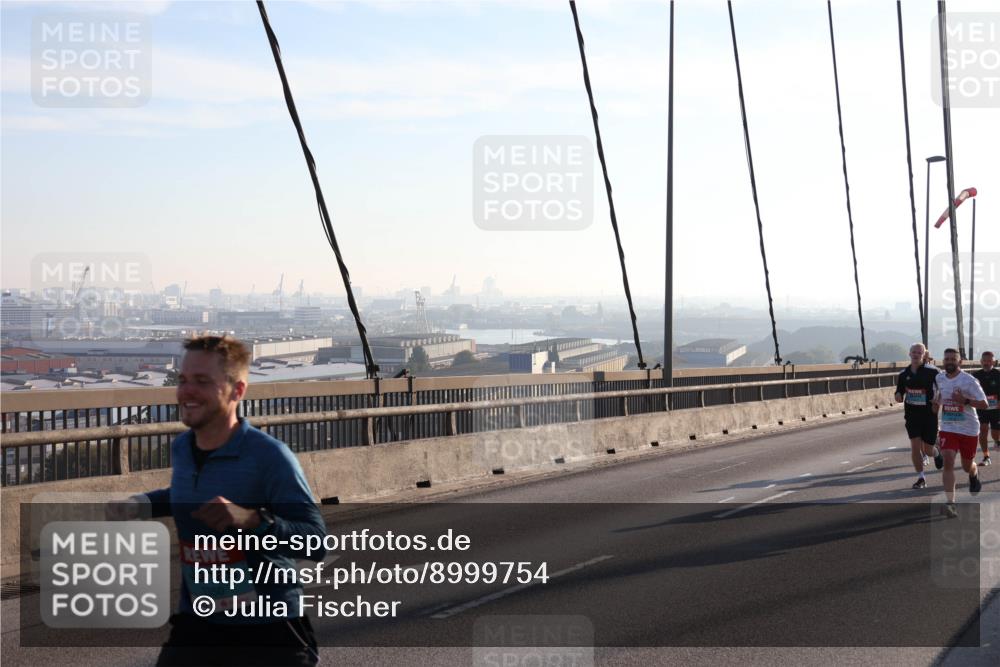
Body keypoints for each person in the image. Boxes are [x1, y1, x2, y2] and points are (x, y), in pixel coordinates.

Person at [115, 335, 327, 665]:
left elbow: (315, 542)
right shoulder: (183, 448)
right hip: (199, 623)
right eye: (183, 379)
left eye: (202, 381)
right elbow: (188, 497)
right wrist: (140, 504)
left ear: (237, 391)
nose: (186, 391)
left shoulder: (270, 457)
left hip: (269, 629)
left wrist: (252, 520)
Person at [934, 348, 990, 518]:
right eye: (946, 359)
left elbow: (984, 404)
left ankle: (974, 473)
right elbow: (939, 400)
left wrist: (964, 400)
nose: (949, 361)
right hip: (949, 427)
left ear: (960, 362)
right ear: (943, 361)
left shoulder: (969, 381)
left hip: (969, 429)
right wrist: (935, 404)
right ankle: (950, 503)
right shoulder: (939, 378)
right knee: (948, 460)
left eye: (953, 359)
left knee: (967, 466)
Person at [895, 343, 943, 489]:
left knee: (927, 449)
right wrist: (898, 395)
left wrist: (937, 402)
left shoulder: (933, 372)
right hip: (911, 416)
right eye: (913, 352)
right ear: (909, 354)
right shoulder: (903, 374)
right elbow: (899, 392)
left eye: (919, 352)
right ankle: (921, 478)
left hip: (929, 416)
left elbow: (943, 389)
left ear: (924, 355)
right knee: (915, 447)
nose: (916, 355)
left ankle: (936, 453)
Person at [973, 350, 1000, 466]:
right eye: (984, 361)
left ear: (993, 362)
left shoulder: (998, 375)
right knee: (983, 431)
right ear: (981, 361)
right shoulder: (975, 376)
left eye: (989, 361)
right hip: (981, 408)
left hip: (996, 408)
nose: (987, 363)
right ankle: (986, 456)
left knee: (995, 433)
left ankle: (996, 441)